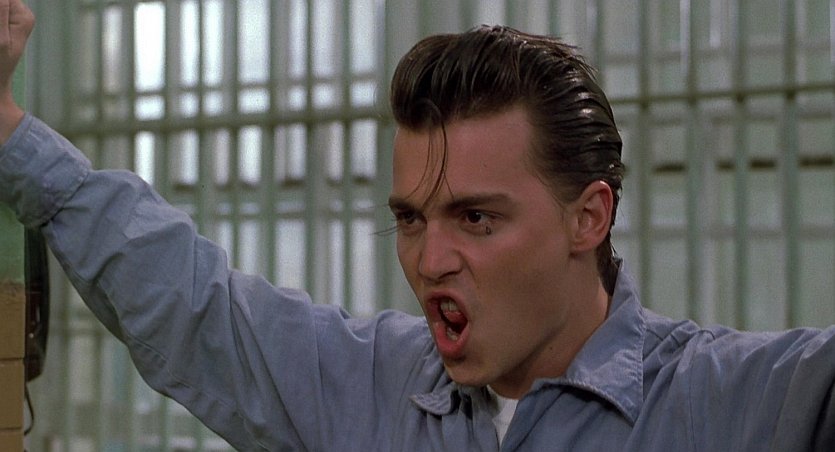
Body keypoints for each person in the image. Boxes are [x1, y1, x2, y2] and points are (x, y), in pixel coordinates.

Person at [1, 1, 833, 450]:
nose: (431, 259)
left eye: (475, 218)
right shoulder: (373, 390)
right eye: (409, 218)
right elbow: (196, 308)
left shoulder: (737, 403)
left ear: (588, 217)